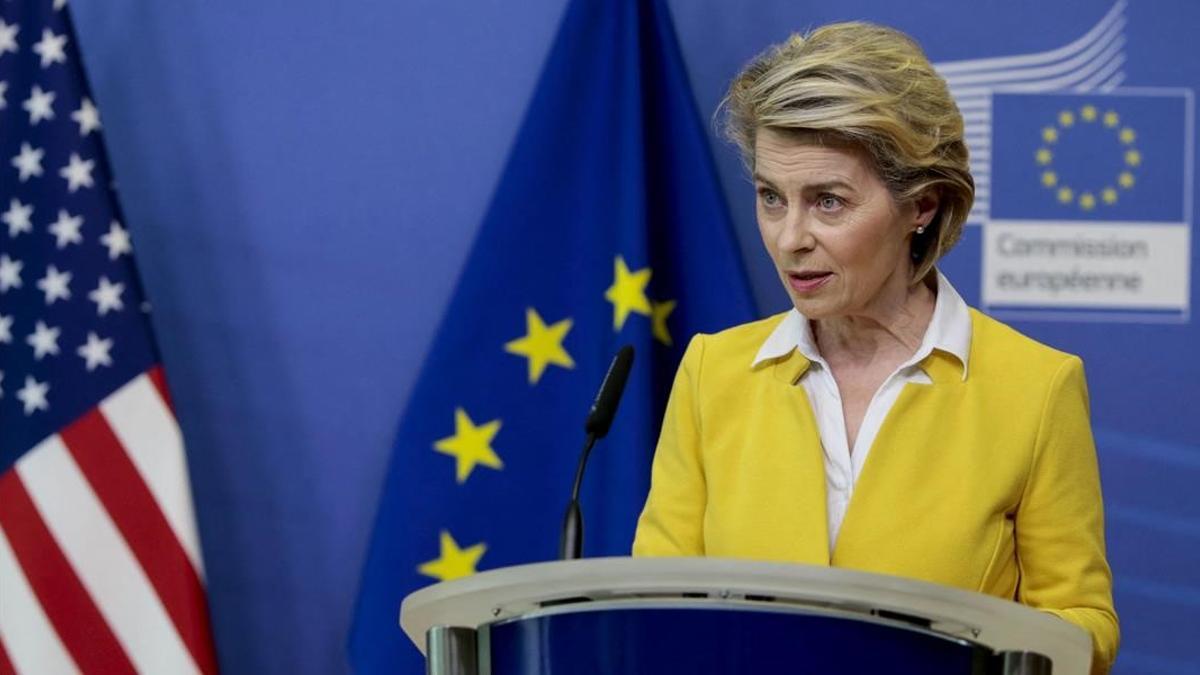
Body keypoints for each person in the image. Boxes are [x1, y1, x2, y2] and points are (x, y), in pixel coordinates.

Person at [631, 22, 1118, 674]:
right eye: (771, 198)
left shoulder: (1035, 387)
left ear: (921, 204)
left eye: (828, 202)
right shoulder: (713, 373)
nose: (789, 238)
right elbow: (656, 605)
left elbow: (1081, 622)